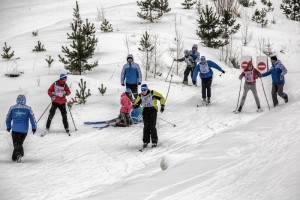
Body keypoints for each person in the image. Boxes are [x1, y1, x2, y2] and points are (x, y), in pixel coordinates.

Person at [6, 95, 37, 162]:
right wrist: (34, 127)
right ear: (24, 100)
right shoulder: (28, 108)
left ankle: (19, 154)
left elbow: (8, 118)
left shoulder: (12, 108)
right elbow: (33, 118)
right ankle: (15, 157)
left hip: (15, 129)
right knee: (19, 143)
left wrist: (8, 126)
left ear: (17, 100)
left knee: (16, 143)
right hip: (24, 130)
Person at [133, 84, 165, 148]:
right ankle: (145, 141)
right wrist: (135, 105)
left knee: (152, 126)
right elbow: (136, 103)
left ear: (147, 89)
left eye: (144, 90)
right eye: (142, 90)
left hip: (153, 110)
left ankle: (154, 141)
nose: (143, 91)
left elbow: (161, 97)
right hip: (145, 111)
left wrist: (162, 106)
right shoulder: (140, 95)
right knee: (146, 126)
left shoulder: (152, 93)